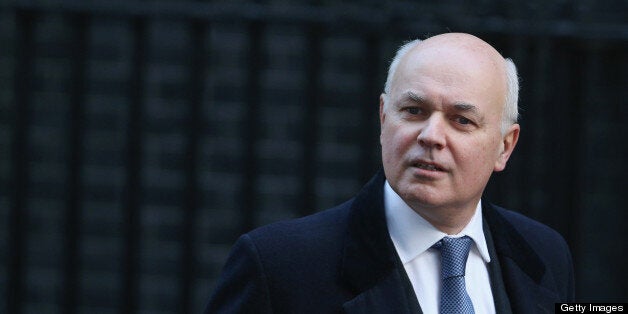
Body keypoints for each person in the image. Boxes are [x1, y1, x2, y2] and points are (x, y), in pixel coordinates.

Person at [205, 33, 575, 313]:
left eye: (461, 120)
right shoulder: (279, 265)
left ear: (504, 147)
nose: (431, 136)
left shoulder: (544, 254)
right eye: (414, 110)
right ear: (384, 118)